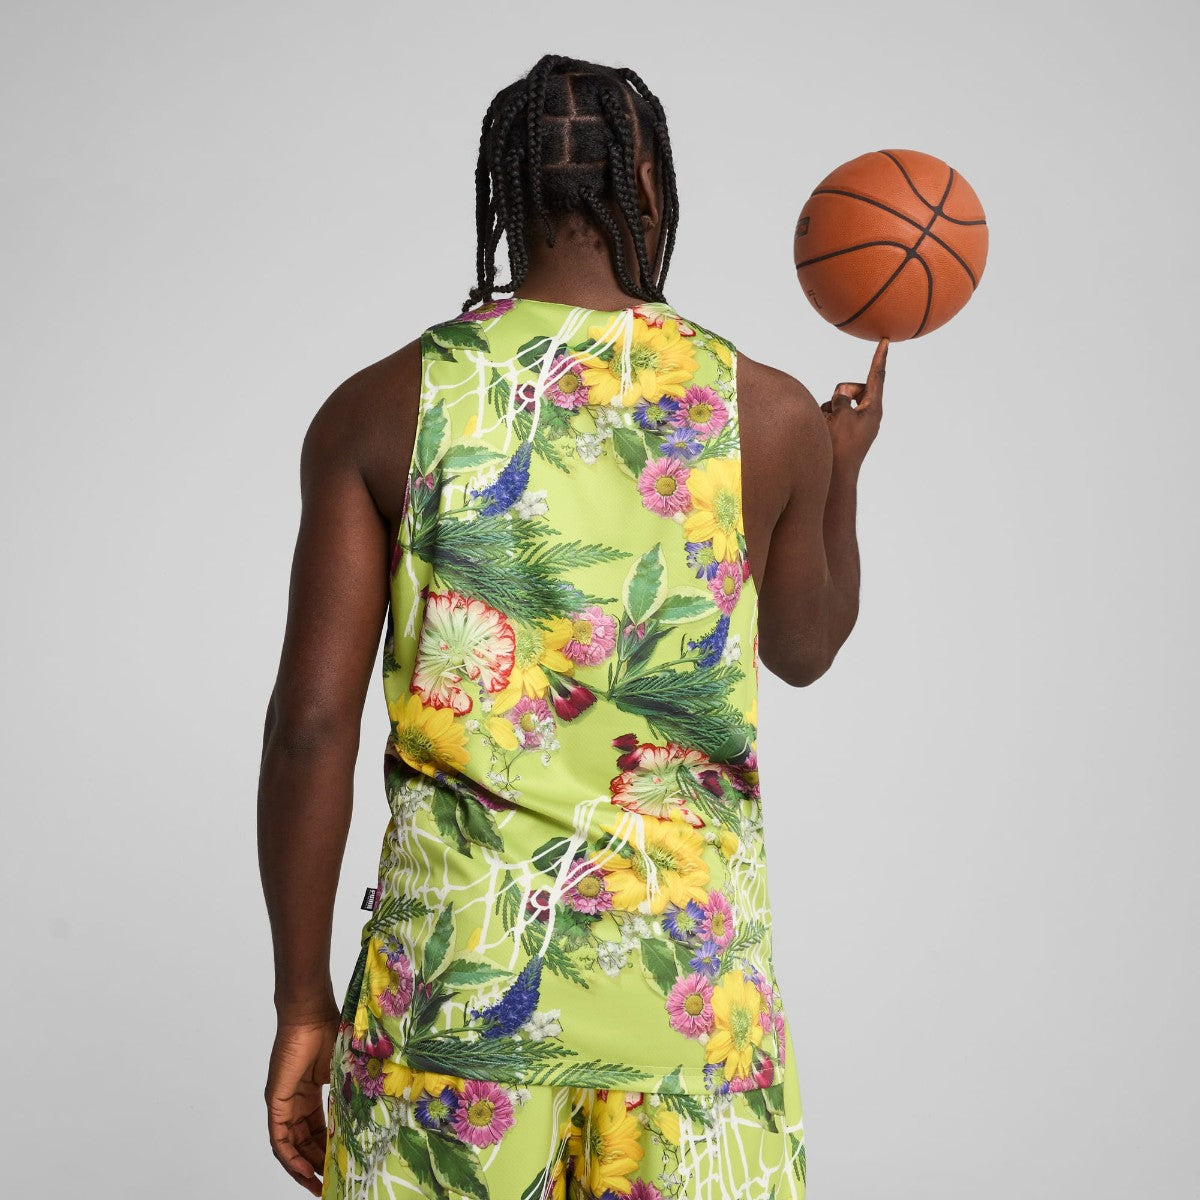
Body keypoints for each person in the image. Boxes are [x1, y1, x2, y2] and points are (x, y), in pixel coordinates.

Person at [259, 53, 886, 1200]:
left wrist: (304, 1006)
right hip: (688, 1003)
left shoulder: (383, 407)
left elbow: (309, 729)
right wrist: (839, 474)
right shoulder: (766, 410)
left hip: (454, 990)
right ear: (648, 185)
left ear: (505, 194)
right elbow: (805, 649)